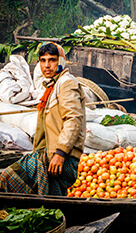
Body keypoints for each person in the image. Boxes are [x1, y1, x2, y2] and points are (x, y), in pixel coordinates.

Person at [0, 43, 86, 195]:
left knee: (6, 180)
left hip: (59, 157)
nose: (47, 65)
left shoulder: (66, 83)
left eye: (52, 60)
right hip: (47, 155)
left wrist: (60, 153)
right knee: (48, 203)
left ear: (61, 62)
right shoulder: (51, 87)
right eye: (43, 60)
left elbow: (73, 120)